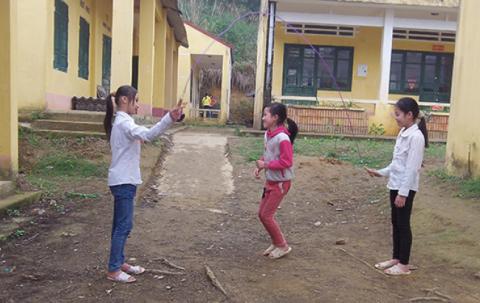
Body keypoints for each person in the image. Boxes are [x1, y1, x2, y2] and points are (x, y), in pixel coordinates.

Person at [103, 85, 183, 283]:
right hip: (123, 181)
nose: (138, 105)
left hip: (122, 180)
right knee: (124, 226)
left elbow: (142, 137)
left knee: (119, 226)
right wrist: (169, 117)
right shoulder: (124, 123)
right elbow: (148, 135)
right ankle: (113, 270)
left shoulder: (123, 122)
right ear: (123, 100)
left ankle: (119, 262)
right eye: (135, 100)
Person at [365, 97, 429, 276]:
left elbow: (412, 168)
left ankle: (404, 265)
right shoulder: (403, 133)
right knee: (395, 223)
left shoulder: (416, 137)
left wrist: (403, 194)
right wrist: (380, 172)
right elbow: (397, 163)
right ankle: (396, 258)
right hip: (395, 185)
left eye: (398, 114)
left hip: (405, 188)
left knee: (403, 224)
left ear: (410, 115)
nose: (396, 118)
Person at [255, 102, 298, 259]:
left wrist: (265, 165)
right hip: (271, 181)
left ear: (275, 117)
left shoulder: (283, 138)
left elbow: (287, 162)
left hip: (281, 183)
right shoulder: (268, 134)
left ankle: (282, 246)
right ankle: (276, 242)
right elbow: (268, 154)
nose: (263, 117)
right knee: (261, 214)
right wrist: (260, 165)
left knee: (266, 215)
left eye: (266, 115)